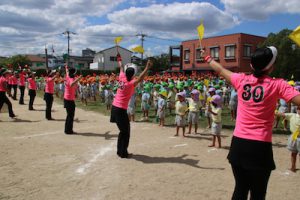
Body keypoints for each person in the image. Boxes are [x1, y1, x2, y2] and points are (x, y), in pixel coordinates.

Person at [202, 46, 300, 200]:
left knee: (240, 190)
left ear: (252, 65)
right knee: (258, 194)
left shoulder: (241, 79)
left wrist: (207, 57)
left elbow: (220, 69)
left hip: (239, 145)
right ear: (271, 67)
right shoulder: (277, 84)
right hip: (259, 147)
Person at [110, 54, 152, 158]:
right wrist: (147, 67)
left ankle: (121, 151)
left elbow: (121, 66)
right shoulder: (130, 83)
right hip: (120, 109)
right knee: (125, 132)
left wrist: (119, 59)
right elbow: (141, 78)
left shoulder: (122, 77)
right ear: (133, 75)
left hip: (115, 107)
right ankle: (123, 152)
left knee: (123, 131)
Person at [276, 106, 300, 172]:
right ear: (297, 109)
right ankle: (293, 167)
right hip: (294, 137)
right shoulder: (292, 115)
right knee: (293, 153)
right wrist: (274, 111)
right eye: (299, 109)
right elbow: (282, 114)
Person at [64, 67, 82, 134]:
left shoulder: (68, 76)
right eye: (75, 72)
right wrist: (78, 79)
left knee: (69, 115)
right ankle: (68, 130)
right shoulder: (71, 78)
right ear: (73, 73)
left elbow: (67, 72)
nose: (76, 74)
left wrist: (66, 68)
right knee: (70, 115)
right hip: (69, 99)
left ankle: (67, 129)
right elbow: (71, 84)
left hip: (67, 98)